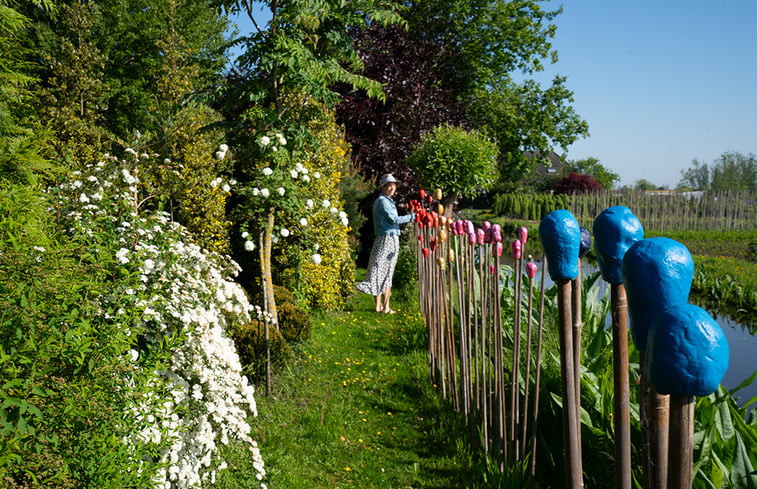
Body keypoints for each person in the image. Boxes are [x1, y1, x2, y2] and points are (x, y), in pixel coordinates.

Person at [356, 173, 415, 314]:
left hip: (385, 238)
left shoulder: (385, 201)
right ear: (382, 187)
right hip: (388, 239)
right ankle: (383, 306)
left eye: (393, 185)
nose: (391, 188)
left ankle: (382, 306)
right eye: (388, 186)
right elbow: (393, 219)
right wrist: (413, 217)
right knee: (383, 271)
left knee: (380, 269)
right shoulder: (383, 202)